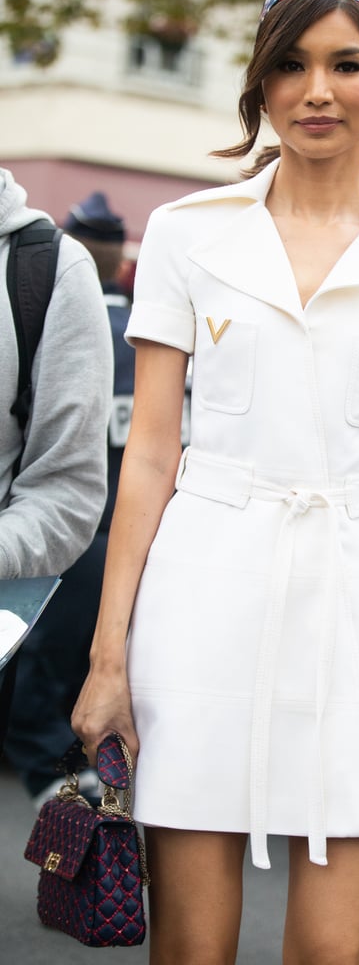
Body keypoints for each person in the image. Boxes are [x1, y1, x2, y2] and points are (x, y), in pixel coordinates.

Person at [71, 0, 359, 965]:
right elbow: (152, 455)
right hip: (201, 601)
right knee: (191, 954)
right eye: (289, 65)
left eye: (346, 64)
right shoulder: (185, 234)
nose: (317, 90)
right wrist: (108, 654)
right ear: (258, 84)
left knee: (331, 957)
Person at [4, 192, 133, 807]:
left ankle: (46, 769)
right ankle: (61, 772)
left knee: (44, 662)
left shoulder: (48, 284)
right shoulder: (147, 336)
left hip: (63, 533)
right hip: (118, 534)